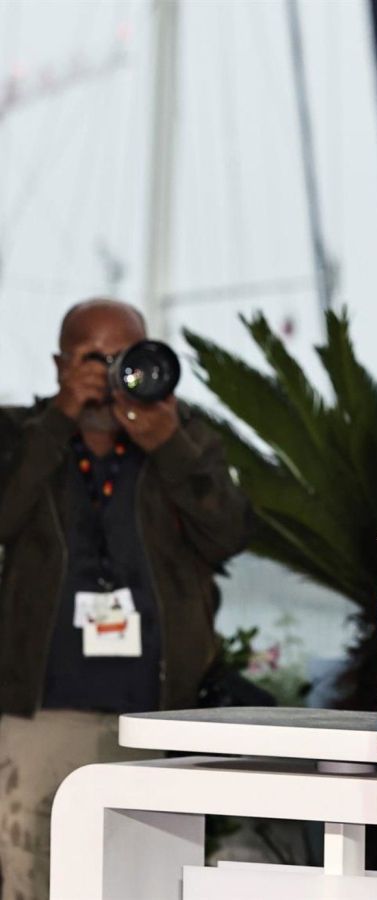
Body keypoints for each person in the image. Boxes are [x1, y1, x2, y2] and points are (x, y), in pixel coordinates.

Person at [0, 298, 252, 900]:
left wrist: (169, 446)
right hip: (41, 712)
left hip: (155, 715)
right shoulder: (18, 433)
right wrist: (60, 419)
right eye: (93, 358)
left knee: (143, 882)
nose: (110, 372)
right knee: (30, 878)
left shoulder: (184, 435)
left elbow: (229, 535)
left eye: (123, 358)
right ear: (61, 364)